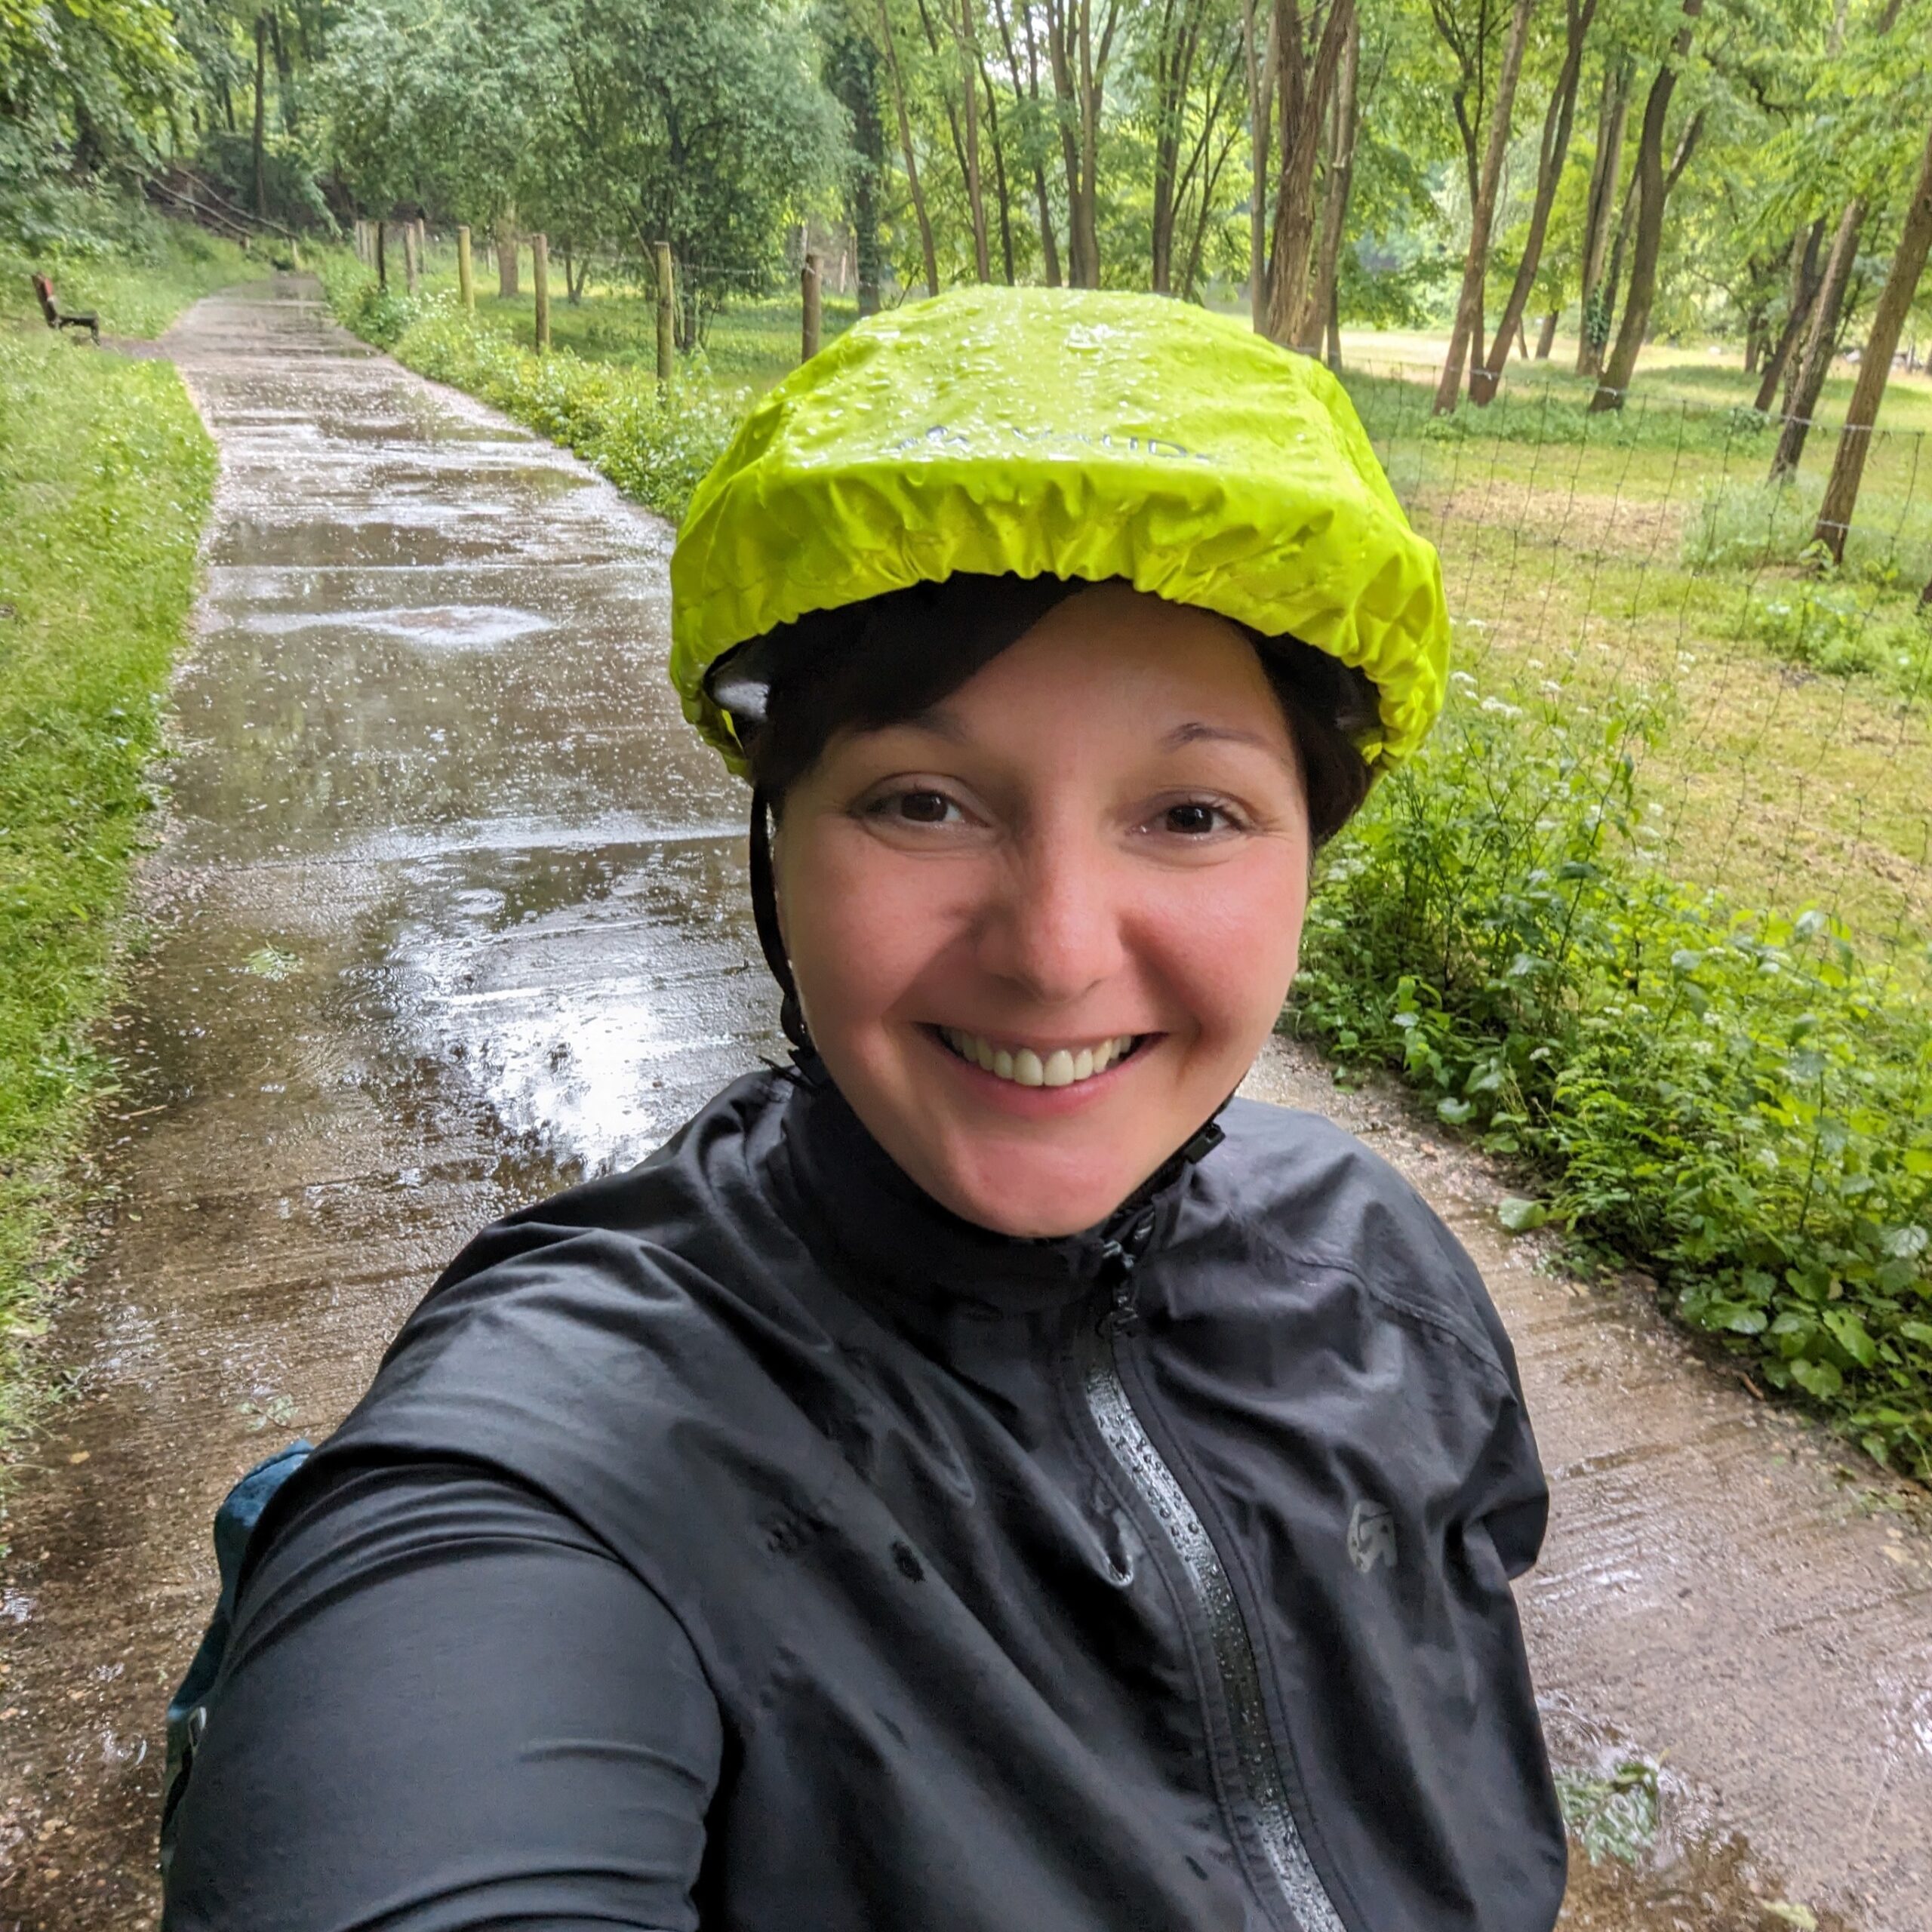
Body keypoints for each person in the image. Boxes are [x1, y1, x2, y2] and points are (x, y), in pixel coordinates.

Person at [162, 288, 1565, 1932]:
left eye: (1190, 812)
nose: (1052, 951)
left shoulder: (1381, 1271)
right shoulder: (565, 1450)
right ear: (778, 848)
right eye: (921, 800)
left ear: (1302, 861)